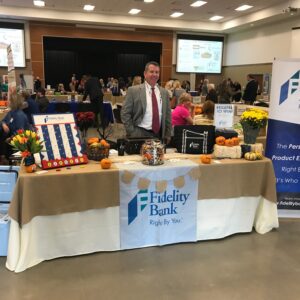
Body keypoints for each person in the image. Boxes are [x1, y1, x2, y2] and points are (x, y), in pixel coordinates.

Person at [121, 61, 171, 143]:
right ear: (145, 73)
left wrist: (167, 134)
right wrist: (132, 132)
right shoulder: (133, 91)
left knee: (158, 156)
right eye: (151, 72)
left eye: (157, 72)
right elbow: (125, 113)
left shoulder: (164, 93)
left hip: (159, 135)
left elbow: (168, 115)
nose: (154, 75)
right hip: (139, 134)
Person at [0, 93, 30, 164]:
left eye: (9, 100)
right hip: (12, 138)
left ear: (13, 102)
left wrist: (10, 139)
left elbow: (20, 132)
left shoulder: (20, 115)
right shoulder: (11, 112)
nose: (8, 102)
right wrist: (3, 124)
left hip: (19, 143)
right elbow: (3, 121)